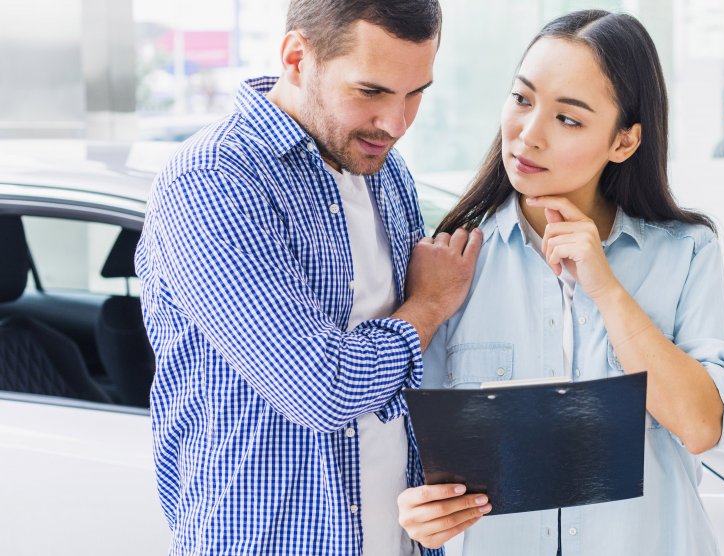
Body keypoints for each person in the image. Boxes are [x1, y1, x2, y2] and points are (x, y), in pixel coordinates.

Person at [396, 10, 724, 555]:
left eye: (569, 119)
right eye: (522, 99)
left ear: (624, 142)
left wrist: (606, 289)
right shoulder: (453, 262)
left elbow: (700, 426)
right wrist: (420, 513)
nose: (528, 135)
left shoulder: (686, 252)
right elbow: (421, 458)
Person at [134, 1, 480, 554]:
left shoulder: (387, 172)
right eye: (371, 91)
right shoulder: (212, 181)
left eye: (416, 93)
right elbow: (319, 388)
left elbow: (415, 384)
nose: (396, 123)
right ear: (297, 58)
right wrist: (427, 306)